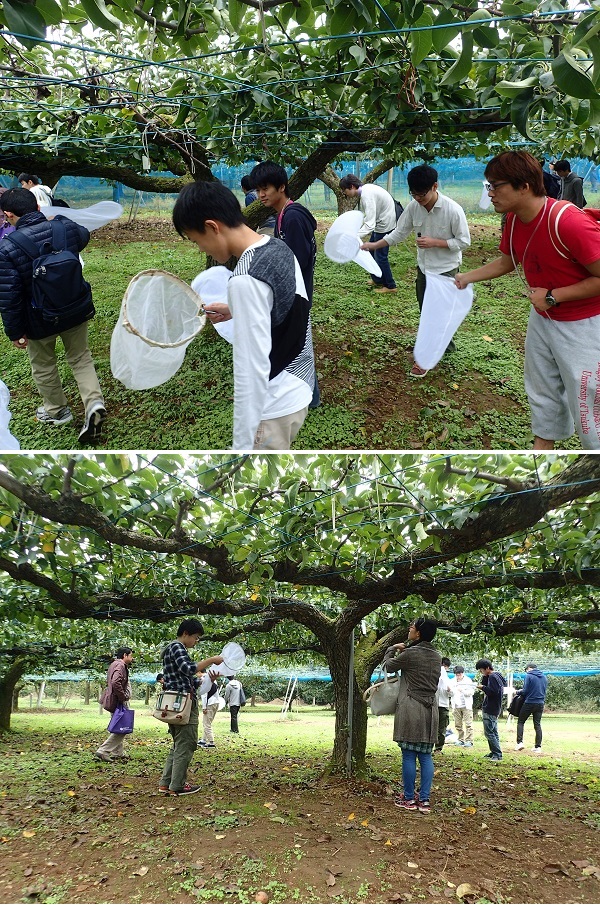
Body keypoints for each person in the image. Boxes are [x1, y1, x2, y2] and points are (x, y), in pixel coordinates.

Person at [455, 150, 600, 450]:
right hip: (544, 317)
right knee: (542, 388)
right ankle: (542, 451)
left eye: (496, 186)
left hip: (584, 324)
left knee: (588, 400)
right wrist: (466, 277)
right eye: (488, 186)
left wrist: (552, 295)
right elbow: (508, 260)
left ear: (524, 186)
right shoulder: (514, 220)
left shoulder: (567, 222)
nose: (490, 194)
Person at [172, 181, 314, 450]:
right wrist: (236, 308)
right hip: (299, 385)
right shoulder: (276, 247)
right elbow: (288, 303)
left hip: (272, 405)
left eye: (196, 240)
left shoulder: (245, 279)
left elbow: (251, 372)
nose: (201, 249)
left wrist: (240, 447)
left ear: (213, 227)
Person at [0, 188, 106, 443]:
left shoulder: (6, 249)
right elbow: (82, 237)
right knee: (80, 357)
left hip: (39, 319)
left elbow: (9, 296)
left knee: (44, 364)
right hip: (75, 308)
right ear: (38, 207)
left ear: (8, 215)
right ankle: (94, 404)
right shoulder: (65, 228)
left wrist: (15, 332)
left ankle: (57, 411)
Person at [362, 164, 470, 377]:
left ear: (435, 187)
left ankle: (426, 358)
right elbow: (399, 233)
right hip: (424, 269)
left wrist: (436, 242)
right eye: (414, 193)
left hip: (446, 270)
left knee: (435, 315)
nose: (418, 198)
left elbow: (464, 241)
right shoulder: (414, 207)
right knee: (427, 312)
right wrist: (374, 245)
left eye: (422, 194)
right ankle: (444, 345)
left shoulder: (452, 209)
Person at [250, 161, 320, 407]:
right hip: (295, 294)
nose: (260, 195)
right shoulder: (284, 216)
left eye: (265, 188)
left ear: (281, 187)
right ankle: (308, 397)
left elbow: (297, 264)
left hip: (296, 296)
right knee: (298, 345)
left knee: (298, 347)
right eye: (258, 190)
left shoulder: (291, 218)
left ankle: (310, 399)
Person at [382, 617, 442, 815]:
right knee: (425, 756)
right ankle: (424, 800)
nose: (409, 628)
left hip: (411, 708)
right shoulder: (436, 656)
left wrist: (391, 648)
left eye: (412, 627)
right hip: (430, 710)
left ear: (418, 633)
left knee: (408, 754)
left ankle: (408, 798)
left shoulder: (411, 653)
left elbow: (388, 666)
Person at [158, 618, 224, 796]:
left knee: (178, 744)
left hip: (175, 703)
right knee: (186, 743)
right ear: (186, 633)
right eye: (196, 637)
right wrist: (211, 660)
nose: (196, 641)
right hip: (184, 704)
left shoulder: (173, 649)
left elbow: (188, 680)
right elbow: (189, 669)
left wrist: (209, 679)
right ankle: (177, 785)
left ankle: (166, 783)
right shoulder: (177, 647)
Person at [339, 174, 398, 293]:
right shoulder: (366, 190)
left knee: (381, 257)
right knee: (370, 251)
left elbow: (370, 225)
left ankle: (390, 286)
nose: (344, 193)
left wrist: (353, 235)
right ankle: (378, 279)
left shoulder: (366, 195)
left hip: (384, 225)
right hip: (380, 222)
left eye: (344, 190)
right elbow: (369, 220)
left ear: (351, 187)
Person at [96, 647, 134, 762]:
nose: (132, 658)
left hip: (113, 699)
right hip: (117, 700)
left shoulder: (114, 664)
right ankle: (103, 750)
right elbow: (115, 682)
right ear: (124, 655)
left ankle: (118, 752)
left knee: (119, 725)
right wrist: (123, 696)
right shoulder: (120, 665)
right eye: (131, 655)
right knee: (122, 727)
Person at [475, 658, 507, 763]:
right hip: (495, 707)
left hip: (490, 707)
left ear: (487, 668)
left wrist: (483, 687)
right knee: (493, 731)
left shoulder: (493, 677)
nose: (481, 672)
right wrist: (485, 678)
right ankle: (494, 752)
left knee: (489, 732)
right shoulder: (496, 676)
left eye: (482, 670)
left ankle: (497, 754)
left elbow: (493, 692)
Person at [515, 663, 547, 754]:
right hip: (540, 703)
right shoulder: (544, 677)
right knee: (537, 724)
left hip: (529, 702)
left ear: (529, 668)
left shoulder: (529, 676)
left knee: (521, 721)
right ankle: (538, 747)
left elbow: (525, 691)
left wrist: (517, 692)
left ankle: (519, 743)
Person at [449, 665, 476, 748]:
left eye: (459, 674)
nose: (458, 676)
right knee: (458, 724)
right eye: (456, 674)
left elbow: (471, 692)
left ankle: (469, 740)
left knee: (468, 724)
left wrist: (463, 691)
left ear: (462, 673)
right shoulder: (452, 681)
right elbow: (450, 694)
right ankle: (460, 739)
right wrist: (449, 691)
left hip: (466, 705)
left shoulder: (468, 680)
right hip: (456, 705)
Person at [198, 668, 220, 748]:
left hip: (209, 703)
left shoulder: (204, 679)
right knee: (208, 722)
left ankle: (211, 742)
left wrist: (204, 707)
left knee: (206, 723)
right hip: (216, 702)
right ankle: (203, 740)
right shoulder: (212, 678)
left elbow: (204, 695)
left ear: (200, 672)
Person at [435, 656, 452, 753]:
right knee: (432, 727)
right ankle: (429, 746)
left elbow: (452, 693)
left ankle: (438, 748)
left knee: (442, 729)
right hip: (434, 705)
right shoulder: (433, 676)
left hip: (443, 705)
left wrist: (449, 689)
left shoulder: (447, 680)